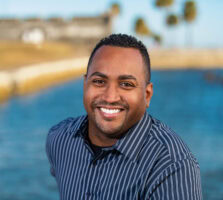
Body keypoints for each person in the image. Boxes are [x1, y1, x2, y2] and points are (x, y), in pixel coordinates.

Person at [46, 34, 202, 200]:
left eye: (126, 84)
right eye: (99, 81)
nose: (110, 97)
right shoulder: (59, 139)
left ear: (147, 95)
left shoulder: (172, 166)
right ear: (85, 85)